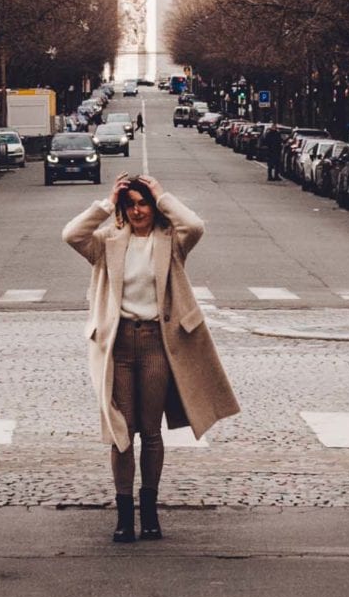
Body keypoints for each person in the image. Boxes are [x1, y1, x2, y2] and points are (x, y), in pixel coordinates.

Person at [63, 172, 239, 545]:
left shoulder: (170, 241)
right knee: (121, 433)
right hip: (120, 345)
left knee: (151, 431)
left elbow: (194, 224)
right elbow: (71, 234)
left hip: (158, 344)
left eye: (143, 204)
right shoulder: (107, 242)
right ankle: (124, 514)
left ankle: (150, 513)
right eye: (133, 205)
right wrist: (108, 202)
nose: (139, 210)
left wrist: (161, 194)